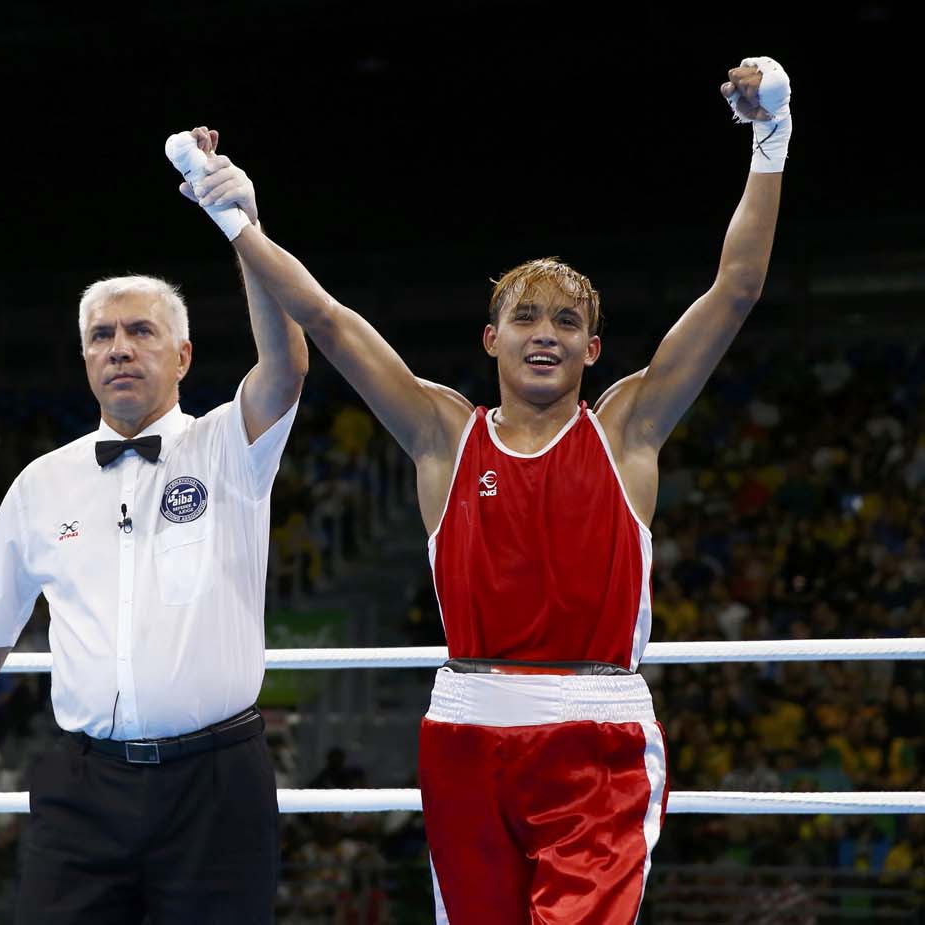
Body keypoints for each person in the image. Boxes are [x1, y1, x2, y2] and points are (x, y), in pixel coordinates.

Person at [189, 59, 793, 921]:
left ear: (592, 349)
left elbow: (735, 291)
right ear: (491, 338)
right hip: (465, 729)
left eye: (567, 323)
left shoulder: (628, 429)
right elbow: (326, 318)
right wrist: (237, 222)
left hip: (598, 735)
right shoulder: (441, 432)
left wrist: (770, 139)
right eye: (526, 318)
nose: (545, 335)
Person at [0, 128, 308, 923]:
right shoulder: (40, 483)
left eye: (140, 331)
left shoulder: (230, 445)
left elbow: (286, 365)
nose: (119, 348)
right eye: (102, 336)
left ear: (184, 355)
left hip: (215, 783)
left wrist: (242, 227)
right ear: (85, 360)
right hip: (83, 786)